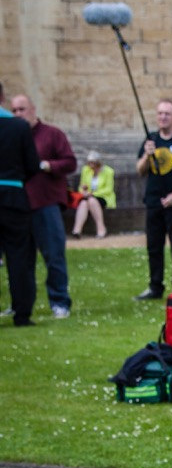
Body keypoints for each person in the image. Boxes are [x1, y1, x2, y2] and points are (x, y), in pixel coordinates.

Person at [11, 94, 77, 318]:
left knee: (54, 255)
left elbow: (70, 162)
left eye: (22, 109)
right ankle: (21, 304)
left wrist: (48, 165)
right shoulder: (12, 137)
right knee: (21, 259)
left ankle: (59, 301)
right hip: (20, 206)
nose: (18, 114)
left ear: (33, 109)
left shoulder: (52, 134)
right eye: (14, 111)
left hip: (46, 203)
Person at [135, 100, 172, 300]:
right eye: (160, 113)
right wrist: (147, 155)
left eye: (167, 113)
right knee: (154, 247)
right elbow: (140, 171)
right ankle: (155, 286)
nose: (163, 117)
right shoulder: (150, 140)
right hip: (153, 202)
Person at [0, 113, 39, 325]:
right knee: (19, 256)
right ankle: (22, 313)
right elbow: (32, 164)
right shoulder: (19, 127)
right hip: (13, 196)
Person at [71, 152, 115, 239]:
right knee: (83, 203)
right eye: (89, 162)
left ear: (98, 162)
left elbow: (108, 189)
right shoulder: (86, 170)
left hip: (104, 197)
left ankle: (101, 229)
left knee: (91, 201)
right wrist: (84, 191)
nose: (90, 165)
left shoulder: (108, 171)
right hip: (88, 197)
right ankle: (77, 230)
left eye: (92, 163)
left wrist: (93, 194)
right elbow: (81, 186)